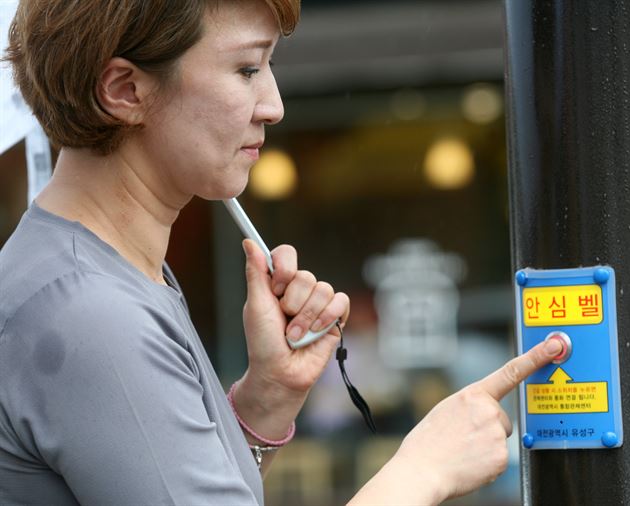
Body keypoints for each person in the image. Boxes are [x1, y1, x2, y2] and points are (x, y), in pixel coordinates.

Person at [0, 1, 562, 504]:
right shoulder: (92, 314)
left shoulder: (104, 276)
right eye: (246, 69)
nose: (274, 106)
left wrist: (265, 401)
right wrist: (423, 471)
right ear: (125, 89)